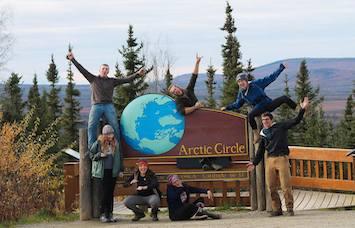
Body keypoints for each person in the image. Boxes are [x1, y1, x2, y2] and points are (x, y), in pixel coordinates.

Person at [66, 51, 145, 147]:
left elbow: (126, 79)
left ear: (108, 71)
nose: (105, 70)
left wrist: (137, 74)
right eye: (103, 69)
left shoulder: (112, 81)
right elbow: (81, 69)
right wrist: (72, 59)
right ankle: (92, 147)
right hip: (96, 105)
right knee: (91, 126)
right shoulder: (93, 79)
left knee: (115, 125)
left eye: (106, 69)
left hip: (108, 106)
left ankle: (117, 147)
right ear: (100, 70)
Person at [246, 97, 309, 217]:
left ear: (271, 120)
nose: (265, 122)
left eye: (267, 120)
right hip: (269, 159)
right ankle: (277, 209)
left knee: (285, 185)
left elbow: (296, 121)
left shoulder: (281, 126)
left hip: (282, 158)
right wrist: (254, 163)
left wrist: (302, 109)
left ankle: (289, 208)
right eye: (263, 120)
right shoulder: (263, 133)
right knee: (271, 186)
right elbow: (260, 150)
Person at [168, 54, 229, 170]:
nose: (176, 91)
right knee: (200, 142)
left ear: (177, 87)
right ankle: (205, 163)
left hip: (203, 118)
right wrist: (195, 107)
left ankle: (216, 162)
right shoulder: (178, 101)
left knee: (213, 137)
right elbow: (183, 112)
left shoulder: (188, 90)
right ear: (173, 94)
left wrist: (197, 63)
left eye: (175, 89)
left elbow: (194, 77)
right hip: (193, 123)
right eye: (173, 92)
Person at [221, 64, 297, 143]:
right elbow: (237, 104)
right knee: (250, 116)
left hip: (268, 104)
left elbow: (271, 78)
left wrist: (281, 68)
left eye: (242, 81)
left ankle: (298, 108)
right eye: (239, 82)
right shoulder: (242, 93)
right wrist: (227, 107)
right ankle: (256, 134)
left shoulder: (256, 84)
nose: (240, 83)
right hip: (259, 108)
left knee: (284, 98)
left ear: (246, 81)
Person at [89, 125, 122, 223]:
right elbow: (91, 154)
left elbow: (119, 157)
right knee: (104, 193)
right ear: (105, 135)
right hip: (103, 172)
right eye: (109, 134)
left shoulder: (115, 143)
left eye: (112, 133)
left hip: (113, 171)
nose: (112, 135)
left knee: (110, 193)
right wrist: (100, 155)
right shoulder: (98, 143)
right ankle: (103, 214)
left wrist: (120, 169)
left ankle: (110, 214)